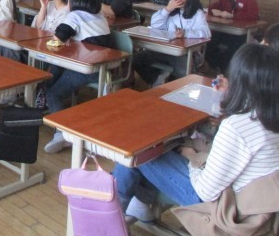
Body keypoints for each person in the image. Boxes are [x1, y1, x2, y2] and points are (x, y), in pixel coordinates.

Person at [114, 43, 279, 226]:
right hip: (257, 204)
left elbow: (205, 192)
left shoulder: (237, 127)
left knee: (137, 151)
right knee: (161, 146)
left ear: (240, 82)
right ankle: (138, 206)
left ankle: (110, 217)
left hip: (222, 207)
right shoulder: (267, 116)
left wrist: (192, 157)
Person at [44, 0, 111, 154]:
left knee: (53, 93)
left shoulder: (75, 15)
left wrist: (61, 38)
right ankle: (53, 110)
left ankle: (62, 133)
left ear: (75, 2)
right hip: (104, 68)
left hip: (87, 69)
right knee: (52, 73)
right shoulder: (99, 15)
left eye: (69, 0)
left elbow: (56, 40)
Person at [133, 0, 211, 86]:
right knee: (137, 59)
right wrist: (167, 10)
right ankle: (157, 81)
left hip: (185, 53)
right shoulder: (170, 11)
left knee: (182, 71)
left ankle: (178, 88)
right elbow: (155, 25)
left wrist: (186, 33)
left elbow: (206, 33)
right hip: (165, 49)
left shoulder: (197, 13)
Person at [205, 0, 259, 72]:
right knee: (209, 40)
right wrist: (217, 12)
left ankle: (227, 70)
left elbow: (253, 16)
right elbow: (212, 7)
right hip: (225, 31)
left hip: (240, 35)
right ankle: (213, 67)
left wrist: (232, 16)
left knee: (234, 46)